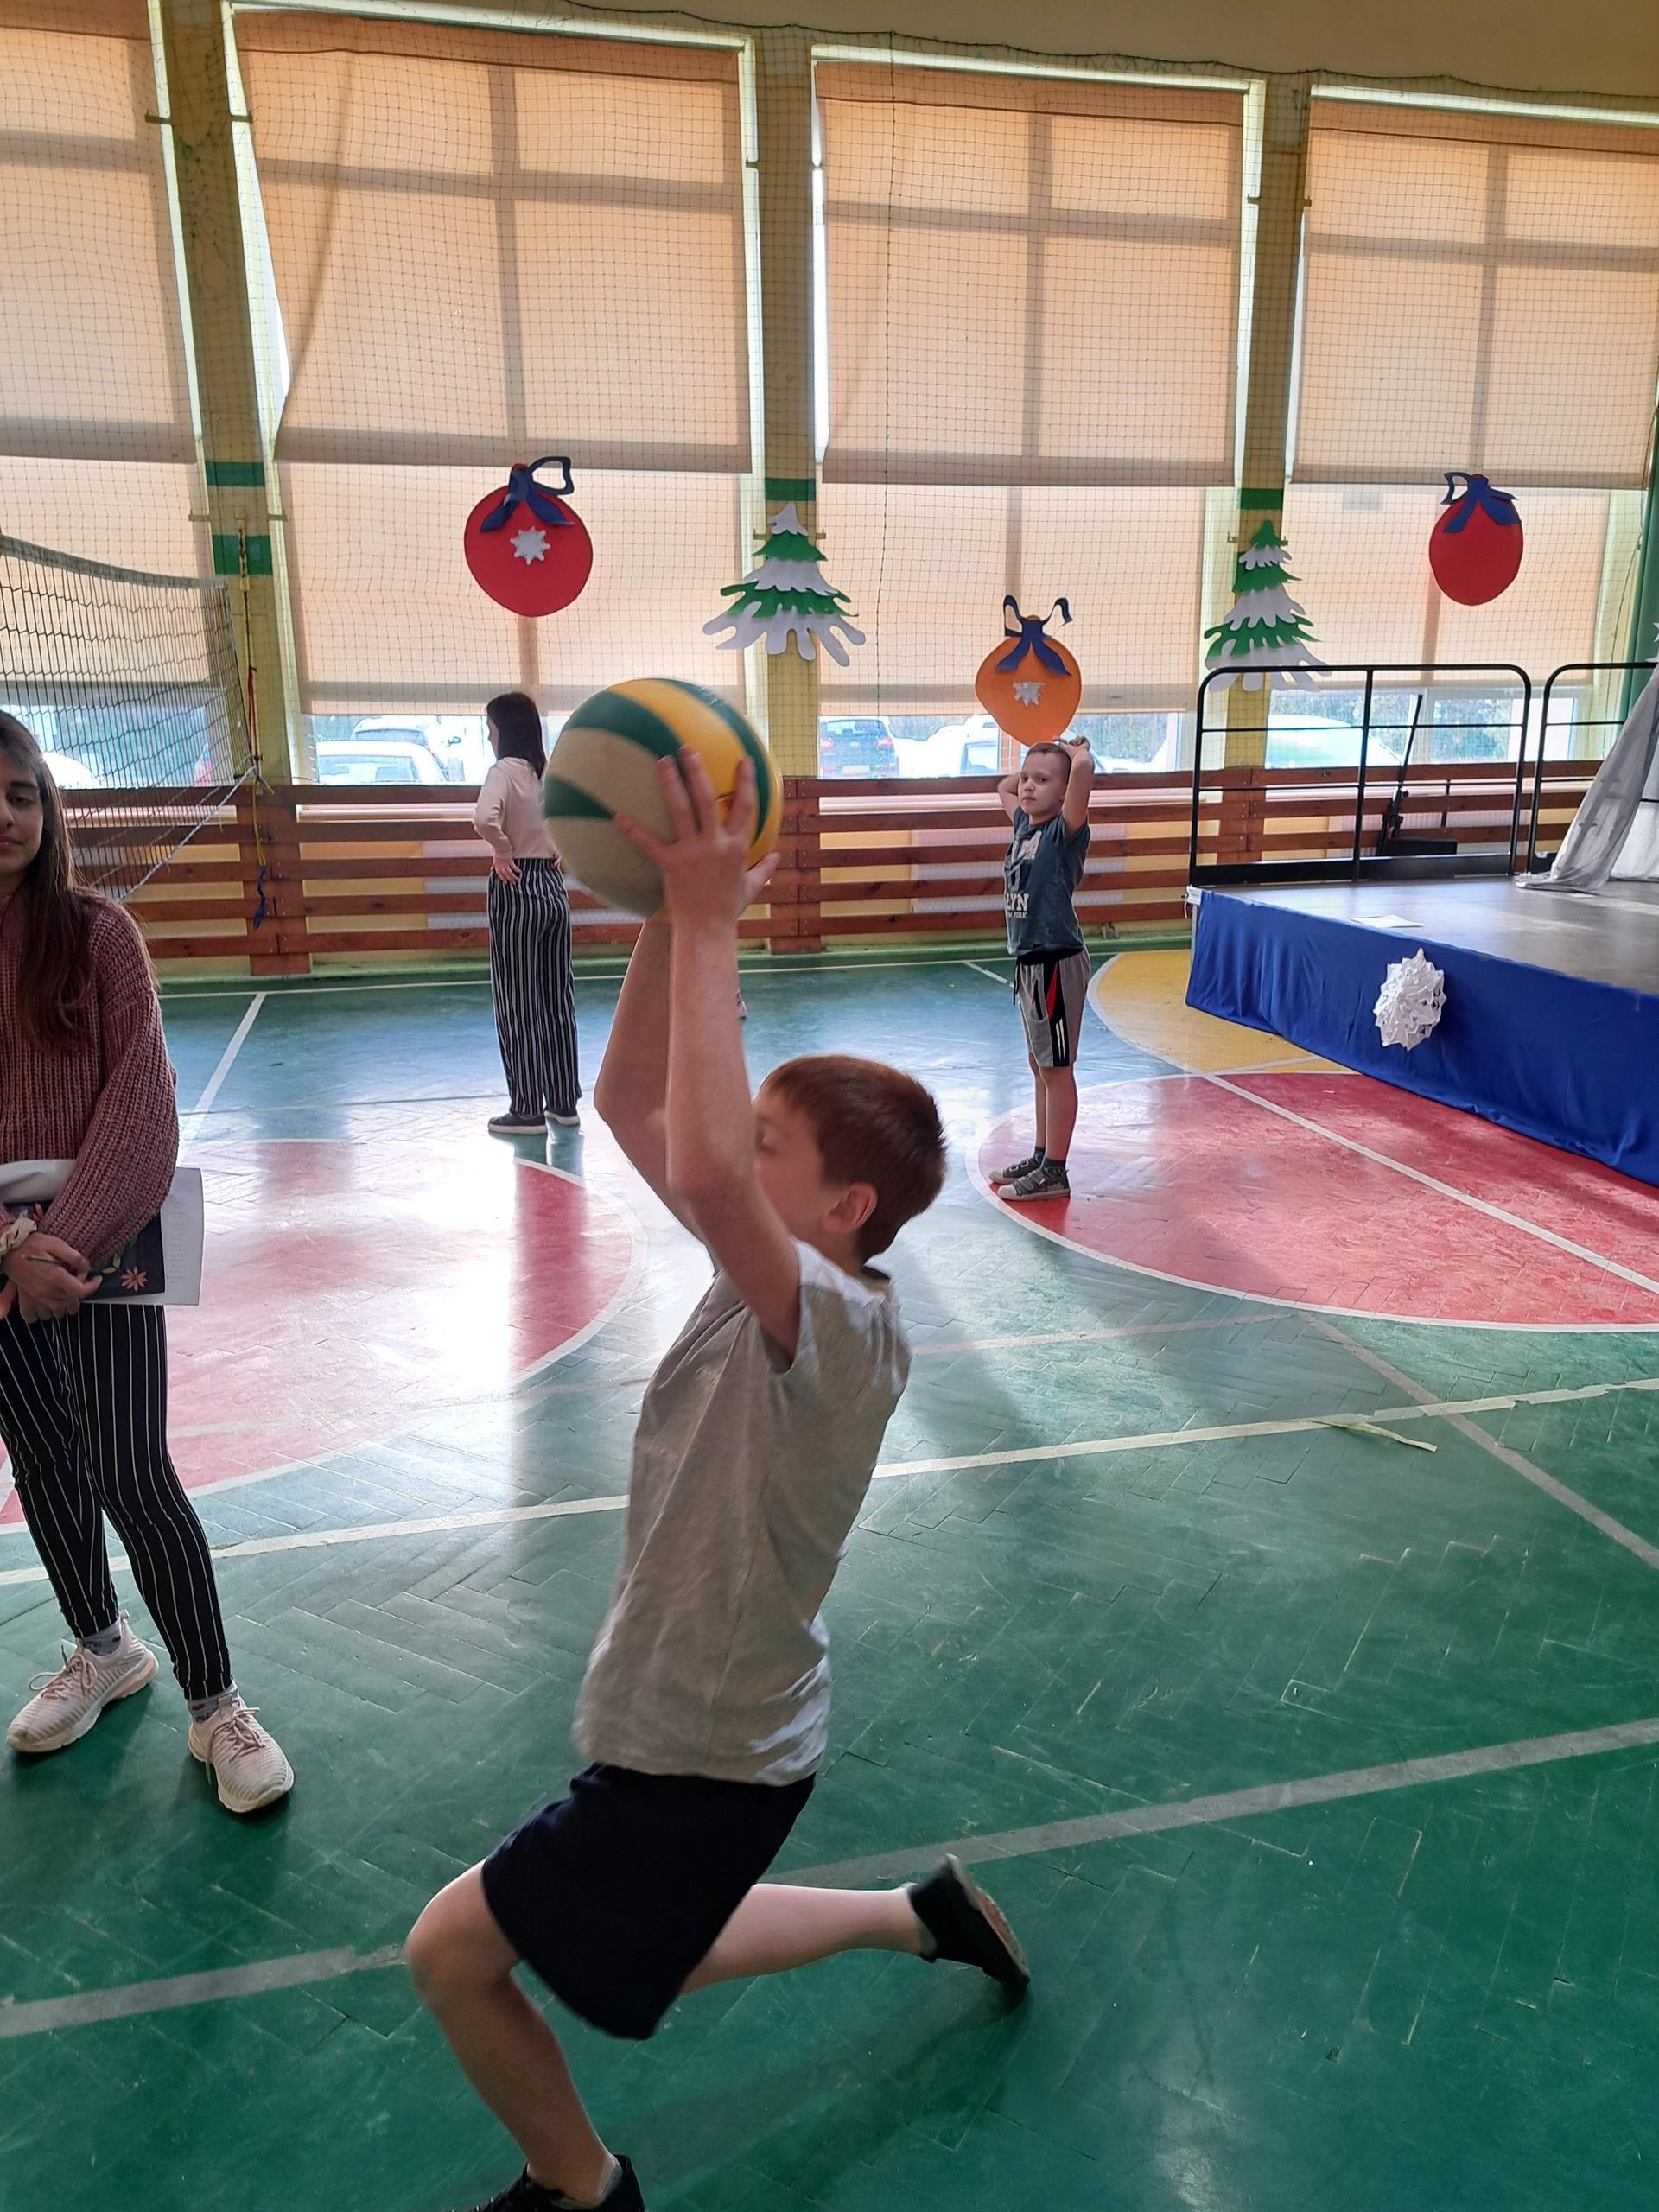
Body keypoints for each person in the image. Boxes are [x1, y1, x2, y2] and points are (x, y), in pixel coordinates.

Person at [406, 753, 1027, 2212]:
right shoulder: (775, 1274)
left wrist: (710, 916)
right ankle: (915, 1918)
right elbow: (636, 1105)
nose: (733, 1156)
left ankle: (581, 2188)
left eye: (766, 1146)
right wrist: (658, 917)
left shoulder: (842, 1326)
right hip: (712, 1720)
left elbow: (695, 1169)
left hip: (707, 1751)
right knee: (661, 1946)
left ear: (843, 1206)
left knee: (451, 1955)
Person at [0, 712, 291, 1815]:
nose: (5, 814)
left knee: (131, 1471)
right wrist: (9, 1250)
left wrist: (60, 1242)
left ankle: (217, 1705)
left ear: (47, 808)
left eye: (20, 794)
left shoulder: (99, 934)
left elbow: (141, 1108)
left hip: (104, 1245)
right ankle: (102, 1648)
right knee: (43, 1462)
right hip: (5, 1259)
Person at [990, 737, 1096, 1201]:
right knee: (1040, 1065)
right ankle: (1041, 1154)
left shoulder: (1064, 831)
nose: (1028, 787)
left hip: (1056, 959)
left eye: (1042, 781)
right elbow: (1003, 787)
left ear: (1065, 791)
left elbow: (1085, 773)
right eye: (1027, 778)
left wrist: (1074, 754)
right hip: (1030, 962)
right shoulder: (1023, 824)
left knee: (1056, 1069)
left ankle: (1055, 1170)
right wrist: (1037, 762)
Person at [473, 691, 580, 1135]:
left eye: (490, 727)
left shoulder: (503, 772)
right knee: (557, 998)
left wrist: (501, 849)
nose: (489, 735)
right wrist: (558, 846)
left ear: (504, 730)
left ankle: (527, 1109)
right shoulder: (547, 772)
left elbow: (484, 817)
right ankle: (563, 1102)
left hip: (516, 886)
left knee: (517, 1001)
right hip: (553, 888)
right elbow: (570, 817)